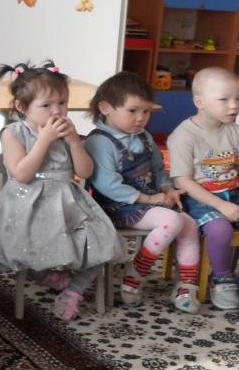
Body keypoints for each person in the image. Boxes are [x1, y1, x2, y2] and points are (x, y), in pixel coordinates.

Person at [0, 60, 122, 320]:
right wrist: (44, 140)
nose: (57, 110)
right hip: (27, 202)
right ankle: (46, 274)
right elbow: (22, 174)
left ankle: (74, 291)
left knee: (102, 242)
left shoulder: (67, 132)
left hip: (68, 200)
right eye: (46, 105)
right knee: (28, 246)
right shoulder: (13, 133)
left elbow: (85, 172)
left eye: (62, 102)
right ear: (22, 107)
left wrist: (73, 141)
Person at [85, 71, 202, 313]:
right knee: (171, 221)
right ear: (105, 108)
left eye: (146, 111)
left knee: (190, 224)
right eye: (132, 111)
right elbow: (107, 184)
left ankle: (186, 286)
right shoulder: (99, 141)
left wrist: (167, 188)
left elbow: (158, 168)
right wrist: (147, 198)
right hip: (117, 206)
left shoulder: (144, 136)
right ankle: (135, 274)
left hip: (149, 201)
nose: (141, 118)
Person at [168, 67, 239, 312]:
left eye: (238, 99)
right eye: (224, 99)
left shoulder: (237, 132)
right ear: (200, 102)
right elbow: (183, 181)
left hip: (234, 196)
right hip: (199, 200)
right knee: (220, 230)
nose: (234, 106)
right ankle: (222, 278)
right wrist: (220, 205)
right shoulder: (183, 135)